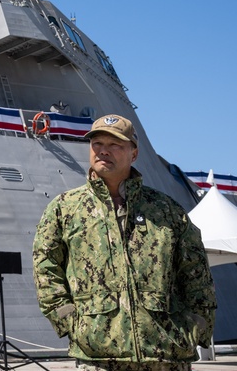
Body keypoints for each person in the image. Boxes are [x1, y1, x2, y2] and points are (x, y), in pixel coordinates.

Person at [32, 114, 216, 371]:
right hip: (99, 357)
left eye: (115, 145)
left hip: (166, 355)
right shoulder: (65, 210)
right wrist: (70, 322)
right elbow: (46, 269)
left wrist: (197, 324)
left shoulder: (167, 211)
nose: (103, 151)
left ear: (134, 153)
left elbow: (197, 274)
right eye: (97, 144)